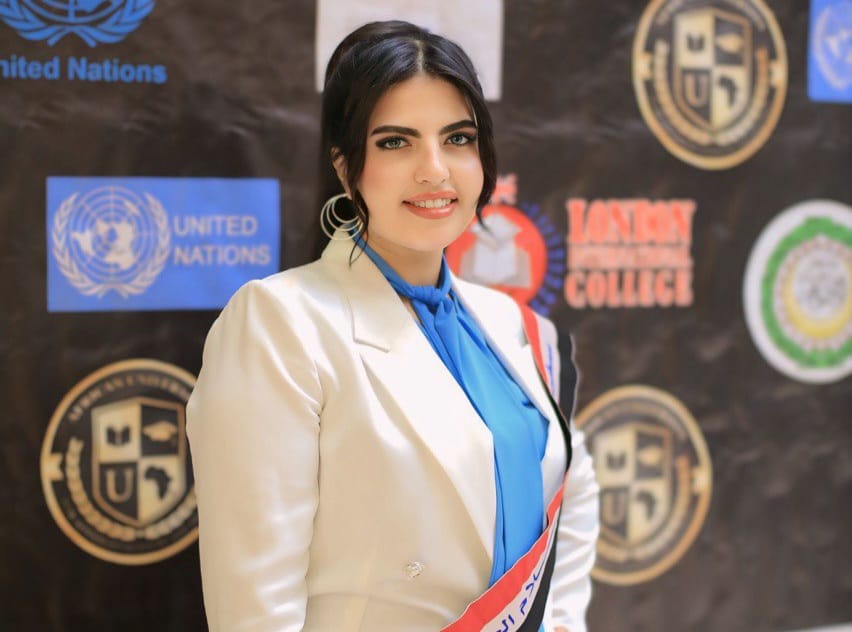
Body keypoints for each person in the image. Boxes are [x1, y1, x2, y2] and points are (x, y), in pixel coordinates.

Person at [186, 20, 599, 632]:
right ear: (345, 166)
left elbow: (573, 493)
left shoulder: (516, 326)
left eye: (457, 138)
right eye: (395, 142)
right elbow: (256, 607)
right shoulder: (279, 323)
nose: (434, 170)